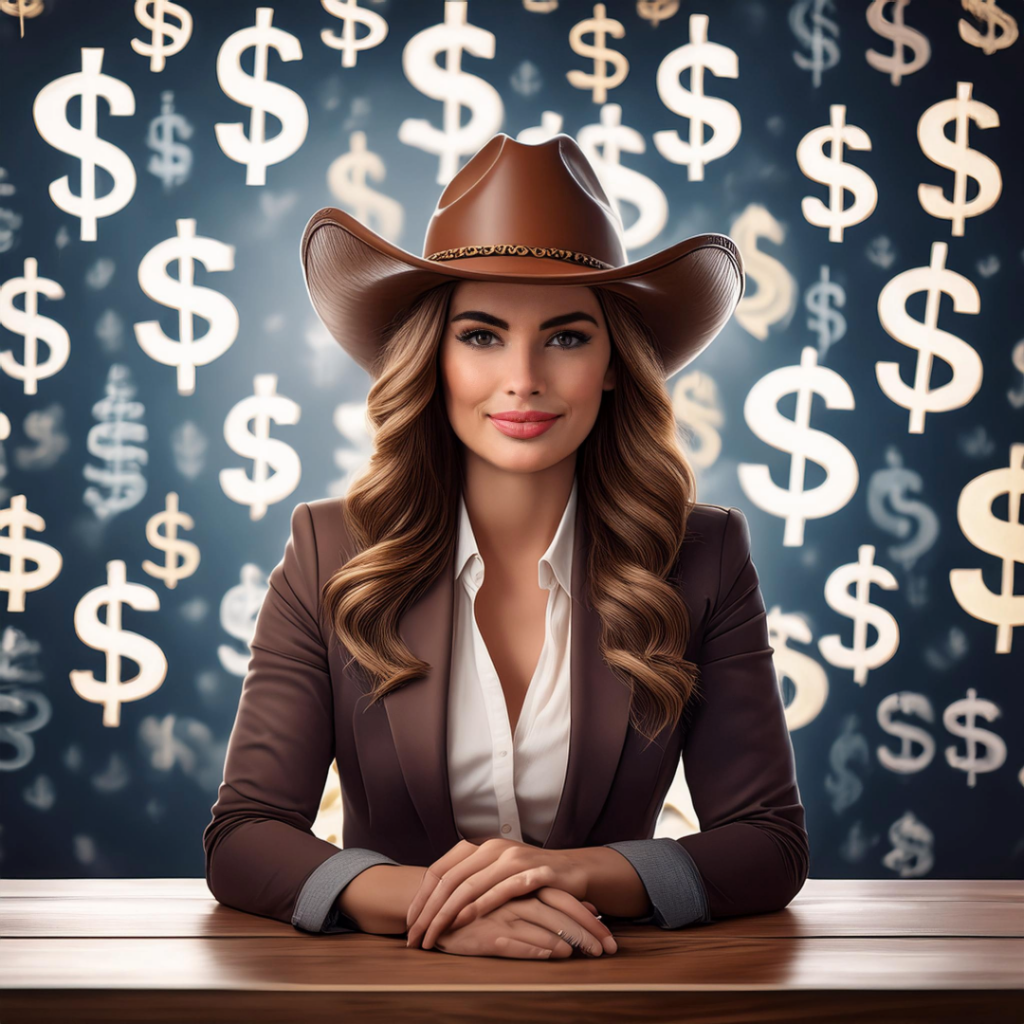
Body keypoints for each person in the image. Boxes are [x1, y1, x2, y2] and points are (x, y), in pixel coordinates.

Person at [203, 133, 809, 960]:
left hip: (614, 989)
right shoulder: (329, 549)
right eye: (481, 335)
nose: (523, 377)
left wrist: (572, 876)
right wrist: (436, 904)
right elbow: (244, 837)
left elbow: (768, 843)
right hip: (382, 997)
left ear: (612, 365)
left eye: (566, 337)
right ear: (433, 358)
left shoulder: (703, 556)